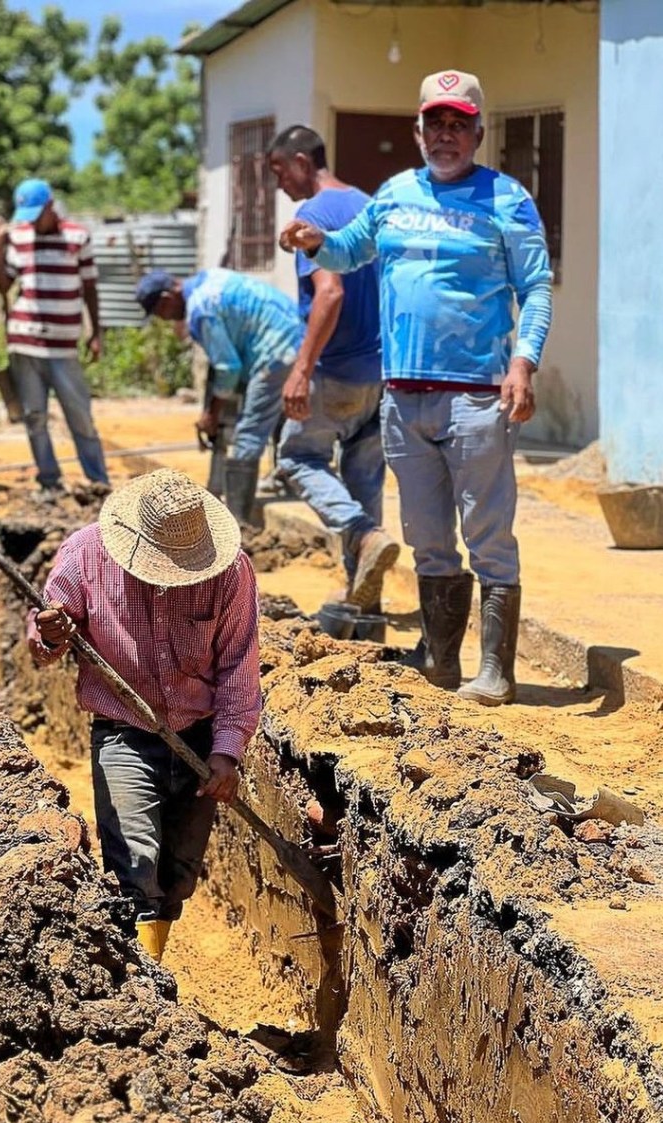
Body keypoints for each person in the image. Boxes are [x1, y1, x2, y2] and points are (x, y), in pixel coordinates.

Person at [280, 71, 553, 706]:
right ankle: (440, 659)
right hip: (402, 396)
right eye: (436, 122)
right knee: (428, 535)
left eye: (459, 123)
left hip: (478, 395)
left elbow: (536, 287)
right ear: (418, 130)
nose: (446, 134)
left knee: (488, 534)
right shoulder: (396, 193)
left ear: (480, 132)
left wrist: (525, 362)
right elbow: (349, 251)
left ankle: (496, 671)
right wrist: (317, 242)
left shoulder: (507, 200)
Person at [26, 468, 261, 962]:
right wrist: (52, 632)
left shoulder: (230, 573)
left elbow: (240, 664)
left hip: (197, 739)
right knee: (134, 865)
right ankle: (143, 990)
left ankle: (152, 963)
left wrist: (227, 752)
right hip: (124, 734)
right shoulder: (88, 553)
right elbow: (46, 638)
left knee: (177, 876)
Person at [267, 125, 399, 609]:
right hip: (379, 371)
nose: (280, 184)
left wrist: (302, 368)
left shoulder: (313, 215)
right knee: (364, 479)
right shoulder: (368, 204)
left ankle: (363, 535)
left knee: (297, 458)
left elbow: (330, 291)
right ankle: (365, 597)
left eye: (280, 171)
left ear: (303, 162)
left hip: (337, 370)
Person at [134, 268, 301, 526]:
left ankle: (238, 520)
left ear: (168, 298)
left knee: (249, 431)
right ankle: (288, 482)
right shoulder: (209, 279)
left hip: (275, 351)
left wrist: (212, 413)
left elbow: (227, 367)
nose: (166, 320)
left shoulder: (202, 309)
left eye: (161, 314)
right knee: (282, 418)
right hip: (299, 337)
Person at [0, 177, 110, 495]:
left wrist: (96, 331)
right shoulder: (19, 238)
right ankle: (49, 480)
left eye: (37, 215)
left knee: (79, 414)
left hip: (63, 344)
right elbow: (5, 285)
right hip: (24, 341)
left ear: (50, 207)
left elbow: (90, 287)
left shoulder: (77, 237)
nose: (34, 224)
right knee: (34, 415)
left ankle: (98, 482)